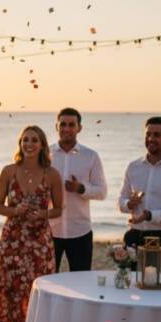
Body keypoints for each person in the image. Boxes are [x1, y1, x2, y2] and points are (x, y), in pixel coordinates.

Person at [0, 126, 63, 322]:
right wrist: (15, 211)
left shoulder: (52, 174)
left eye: (34, 140)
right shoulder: (9, 171)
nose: (29, 144)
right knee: (11, 295)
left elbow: (59, 209)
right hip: (13, 240)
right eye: (25, 140)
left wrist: (42, 214)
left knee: (36, 295)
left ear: (42, 145)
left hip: (39, 242)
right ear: (20, 143)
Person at [118, 117, 161, 270]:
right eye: (148, 134)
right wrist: (128, 203)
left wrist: (150, 215)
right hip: (133, 235)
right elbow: (121, 201)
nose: (151, 138)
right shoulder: (133, 166)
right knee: (129, 287)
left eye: (156, 135)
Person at [49, 108, 107, 272]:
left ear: (79, 128)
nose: (66, 129)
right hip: (50, 231)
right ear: (57, 127)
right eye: (63, 124)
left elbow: (102, 192)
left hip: (80, 231)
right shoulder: (45, 154)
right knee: (48, 280)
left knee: (81, 282)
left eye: (71, 125)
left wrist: (81, 188)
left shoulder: (91, 156)